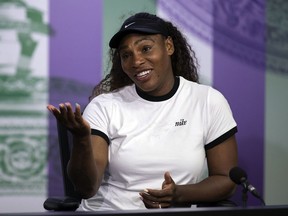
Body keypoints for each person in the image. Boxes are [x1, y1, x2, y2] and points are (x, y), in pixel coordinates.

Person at [47, 12, 238, 211]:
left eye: (145, 48)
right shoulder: (104, 106)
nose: (136, 61)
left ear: (169, 46)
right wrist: (81, 139)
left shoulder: (207, 101)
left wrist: (179, 194)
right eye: (126, 55)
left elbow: (226, 179)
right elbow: (86, 188)